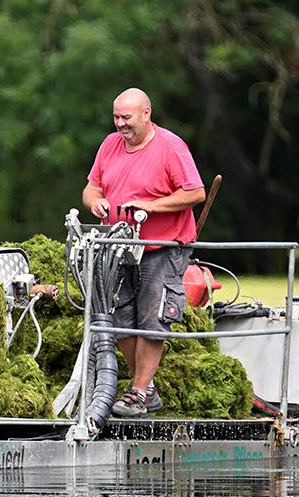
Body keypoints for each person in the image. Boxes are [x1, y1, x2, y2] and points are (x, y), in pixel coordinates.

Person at [82, 87, 205, 418]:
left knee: (152, 317)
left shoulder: (170, 147)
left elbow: (195, 193)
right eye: (116, 117)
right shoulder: (110, 145)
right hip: (120, 247)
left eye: (127, 117)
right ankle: (146, 388)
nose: (120, 124)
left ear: (146, 114)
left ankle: (138, 392)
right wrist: (96, 202)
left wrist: (150, 207)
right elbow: (91, 187)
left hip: (162, 248)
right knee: (119, 316)